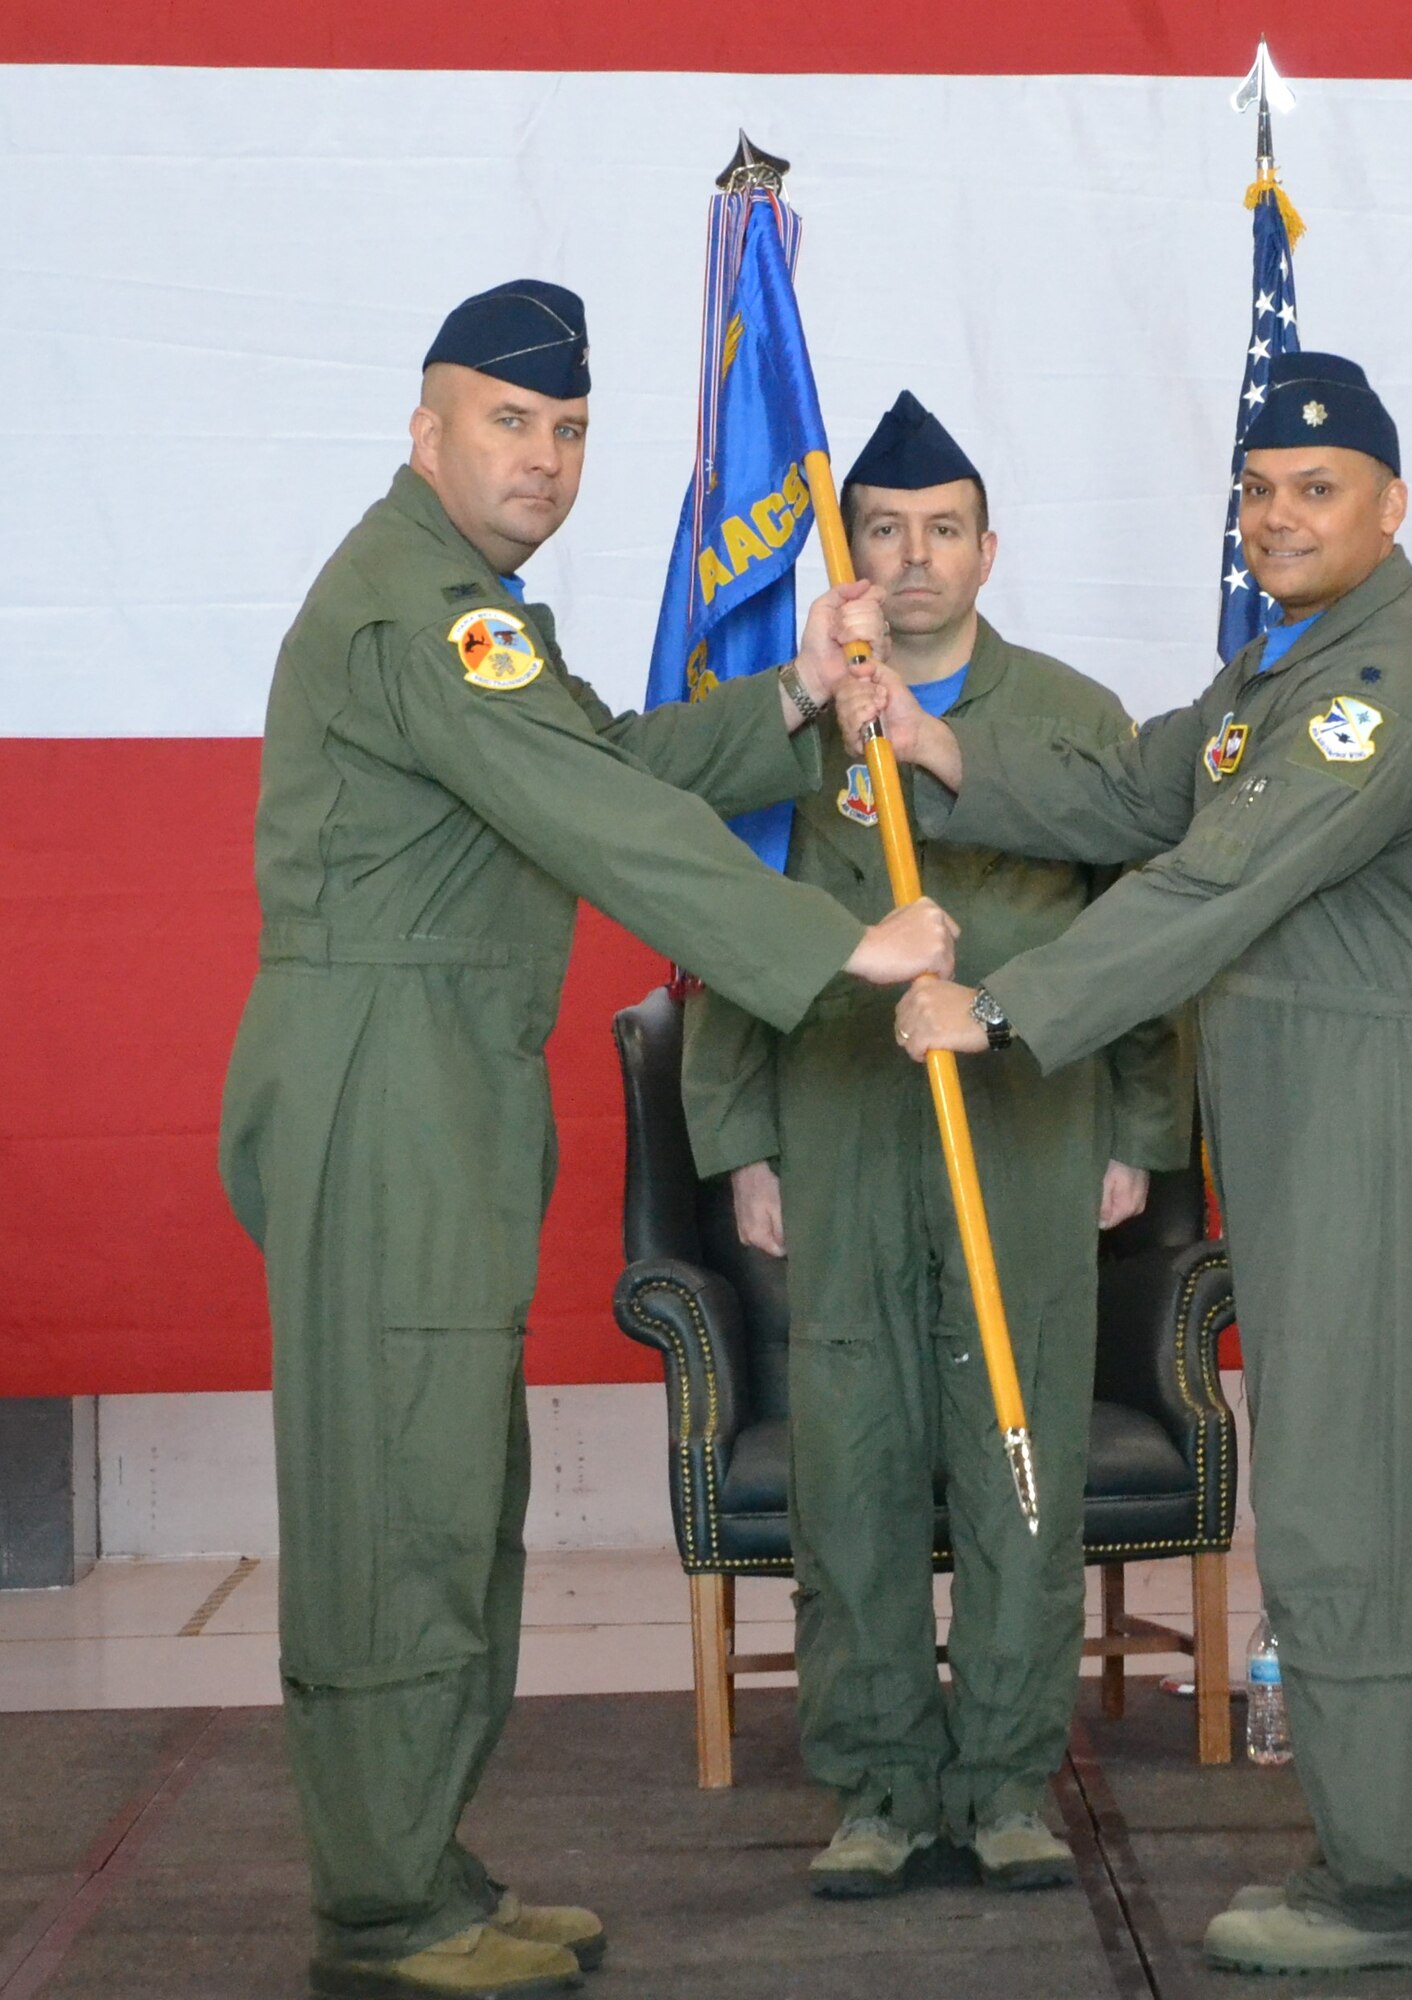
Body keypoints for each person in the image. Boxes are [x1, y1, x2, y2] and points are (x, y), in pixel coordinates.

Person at [219, 282, 957, 2000]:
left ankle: (424, 1866)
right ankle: (384, 1914)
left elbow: (608, 753)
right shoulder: (427, 610)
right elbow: (596, 812)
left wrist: (786, 692)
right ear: (427, 429)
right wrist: (835, 947)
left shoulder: (481, 611)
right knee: (398, 1504)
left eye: (566, 433)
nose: (543, 457)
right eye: (507, 421)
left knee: (453, 1494)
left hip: (436, 1081)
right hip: (381, 1082)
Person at [860, 354, 1412, 1975]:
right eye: (1259, 489)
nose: (1280, 514)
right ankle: (1384, 1859)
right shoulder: (1278, 677)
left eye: (1319, 488)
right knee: (1332, 1502)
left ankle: (1403, 1893)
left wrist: (1002, 1008)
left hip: (1389, 1139)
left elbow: (1212, 884)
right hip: (1314, 1138)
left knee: (1371, 1512)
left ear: (1391, 505)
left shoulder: (1386, 692)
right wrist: (922, 735)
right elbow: (1132, 791)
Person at [681, 391, 1190, 1898]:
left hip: (1031, 1125)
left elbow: (1147, 936)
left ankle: (1011, 1775)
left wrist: (1140, 1132)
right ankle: (879, 1784)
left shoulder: (1073, 720)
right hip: (840, 1120)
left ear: (988, 549)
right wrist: (743, 1142)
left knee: (1017, 1448)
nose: (913, 561)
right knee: (857, 1456)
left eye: (943, 532)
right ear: (853, 553)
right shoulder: (797, 713)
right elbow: (728, 925)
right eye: (884, 533)